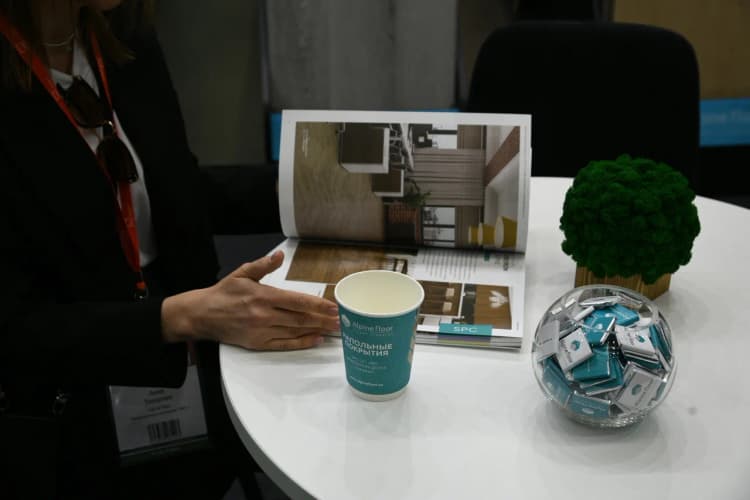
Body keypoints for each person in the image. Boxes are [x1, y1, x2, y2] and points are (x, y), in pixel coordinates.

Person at [0, 1, 339, 498]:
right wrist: (176, 318)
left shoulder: (122, 36)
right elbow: (16, 329)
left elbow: (176, 195)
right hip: (70, 416)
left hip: (188, 363)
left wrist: (316, 192)